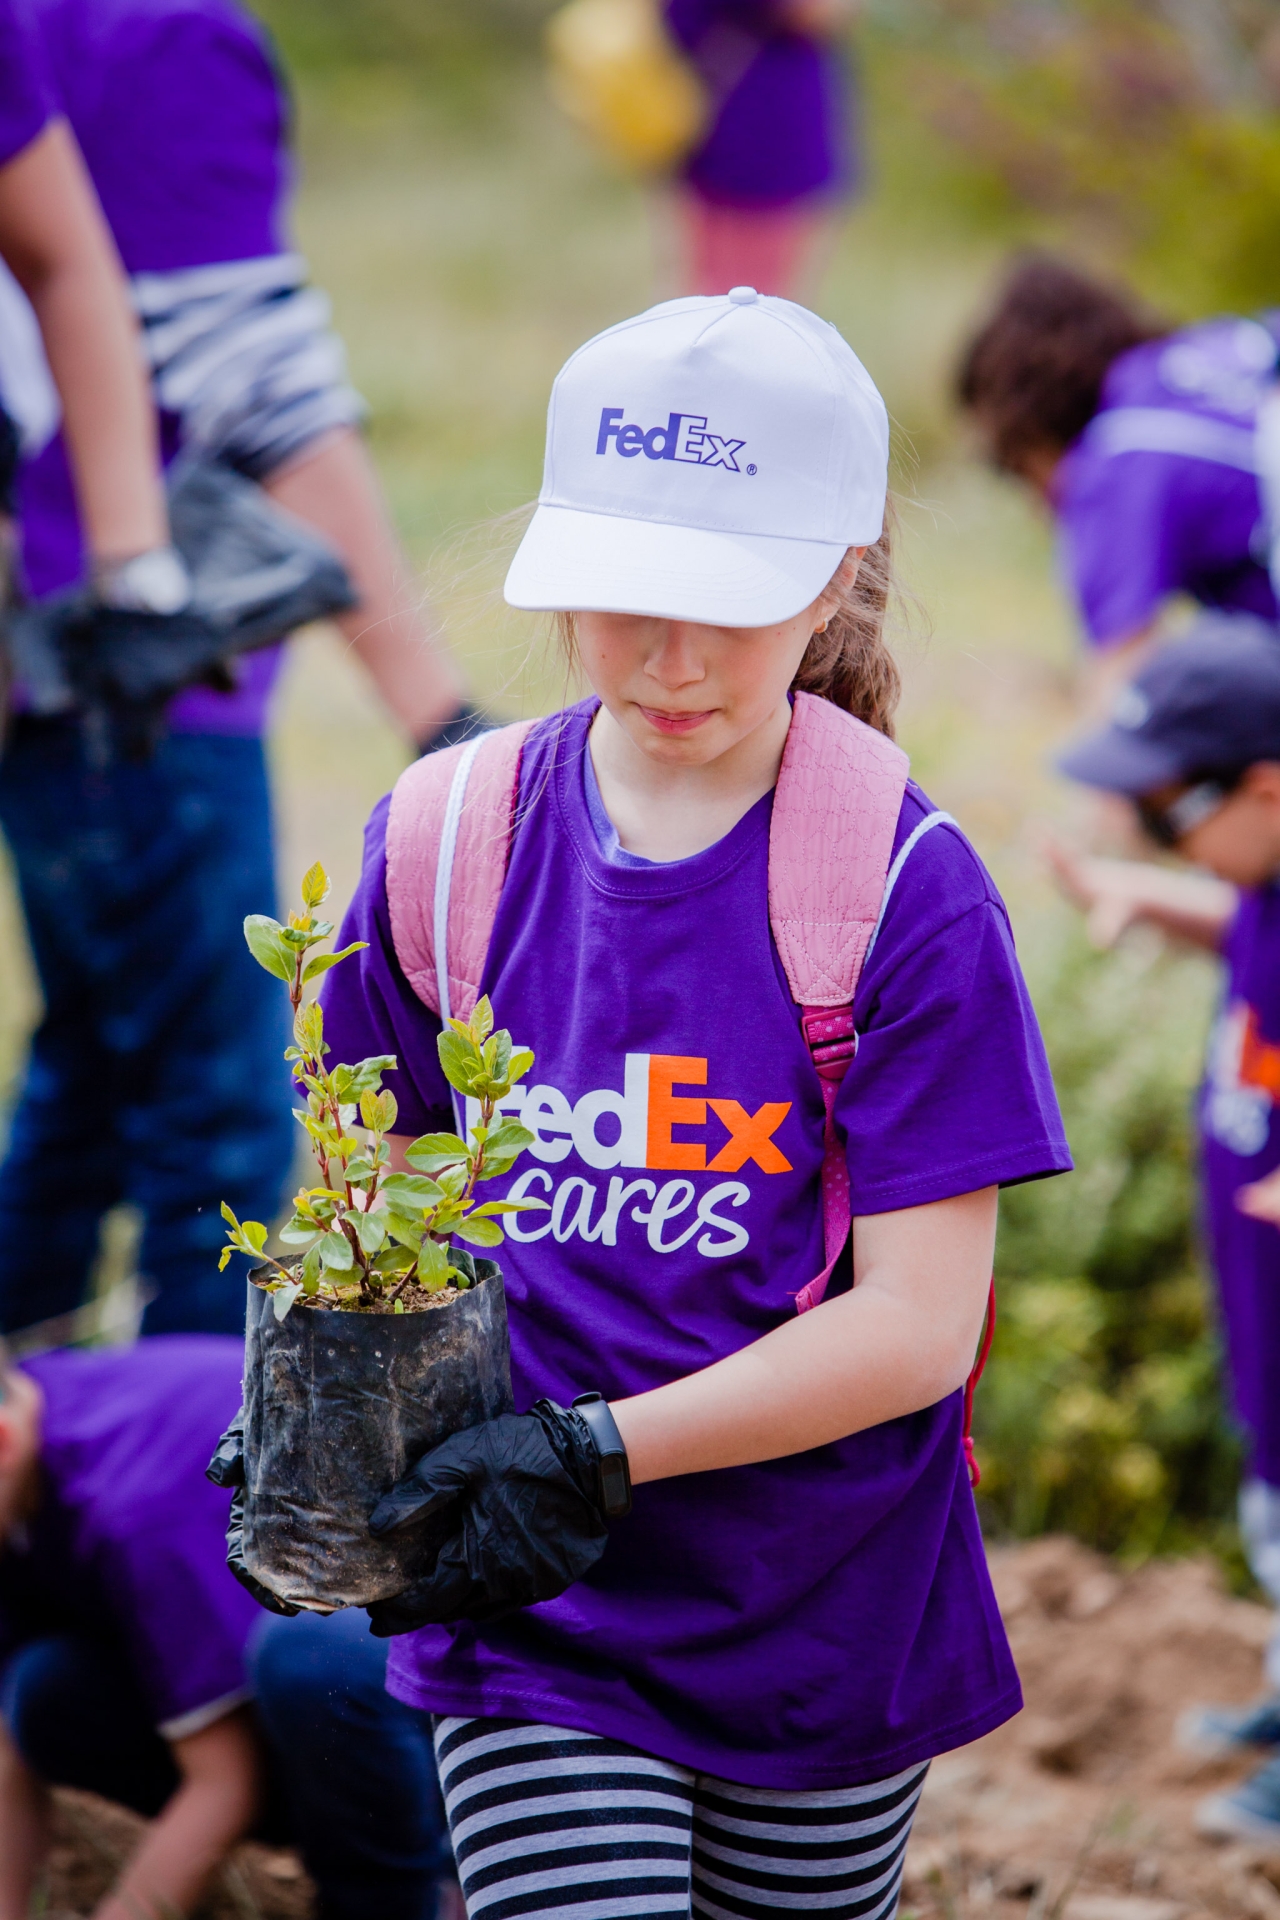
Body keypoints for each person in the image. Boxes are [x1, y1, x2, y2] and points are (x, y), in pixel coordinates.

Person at [311, 289, 1072, 1919]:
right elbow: (379, 1186)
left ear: (832, 580)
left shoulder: (905, 890)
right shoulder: (447, 841)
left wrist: (594, 1451)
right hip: (538, 1610)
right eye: (626, 599)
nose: (669, 661)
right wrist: (329, 1388)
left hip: (821, 1611)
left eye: (725, 608)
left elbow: (921, 1330)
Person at [0, 0, 478, 1341]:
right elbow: (260, 382)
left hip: (49, 656)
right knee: (209, 1110)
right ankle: (174, 1500)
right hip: (130, 670)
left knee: (93, 1071)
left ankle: (37, 1442)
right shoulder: (156, 35)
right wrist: (435, 708)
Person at [1050, 620, 1280, 1845]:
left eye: (1159, 816)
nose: (1147, 833)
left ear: (1262, 786)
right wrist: (1151, 896)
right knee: (1270, 1513)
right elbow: (1241, 936)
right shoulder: (1258, 884)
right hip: (1262, 1304)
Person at [0, 1334, 457, 1920]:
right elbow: (12, 1747)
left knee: (308, 1667)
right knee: (43, 1692)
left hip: (412, 1657)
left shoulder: (131, 1507)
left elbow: (223, 1781)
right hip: (281, 1666)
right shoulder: (27, 1437)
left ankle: (420, 1889)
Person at [956, 254, 1280, 704]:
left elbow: (1122, 695)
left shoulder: (1116, 468)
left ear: (1034, 433)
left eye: (1021, 472)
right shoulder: (1204, 355)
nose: (1041, 510)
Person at [663, 0, 860, 297]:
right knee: (758, 297)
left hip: (704, 100)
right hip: (762, 121)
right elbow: (820, 12)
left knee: (703, 284)